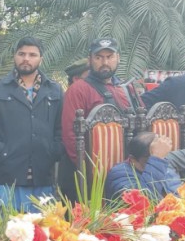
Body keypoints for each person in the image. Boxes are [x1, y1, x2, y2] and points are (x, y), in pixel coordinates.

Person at [0, 37, 64, 210]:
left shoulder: (54, 90)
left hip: (42, 177)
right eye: (22, 54)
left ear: (41, 59)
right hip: (4, 177)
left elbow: (61, 127)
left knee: (42, 233)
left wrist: (52, 151)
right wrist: (1, 152)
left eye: (32, 54)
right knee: (3, 233)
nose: (26, 58)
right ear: (15, 56)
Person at [60, 37, 144, 169]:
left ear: (118, 58)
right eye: (98, 57)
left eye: (110, 57)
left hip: (130, 170)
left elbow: (142, 126)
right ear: (90, 60)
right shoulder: (78, 89)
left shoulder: (127, 88)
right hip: (94, 175)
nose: (105, 62)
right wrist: (90, 171)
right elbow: (71, 136)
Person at [103, 132, 181, 199]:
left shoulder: (162, 162)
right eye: (150, 159)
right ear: (133, 159)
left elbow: (179, 193)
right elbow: (145, 200)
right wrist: (157, 159)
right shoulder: (119, 174)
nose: (161, 159)